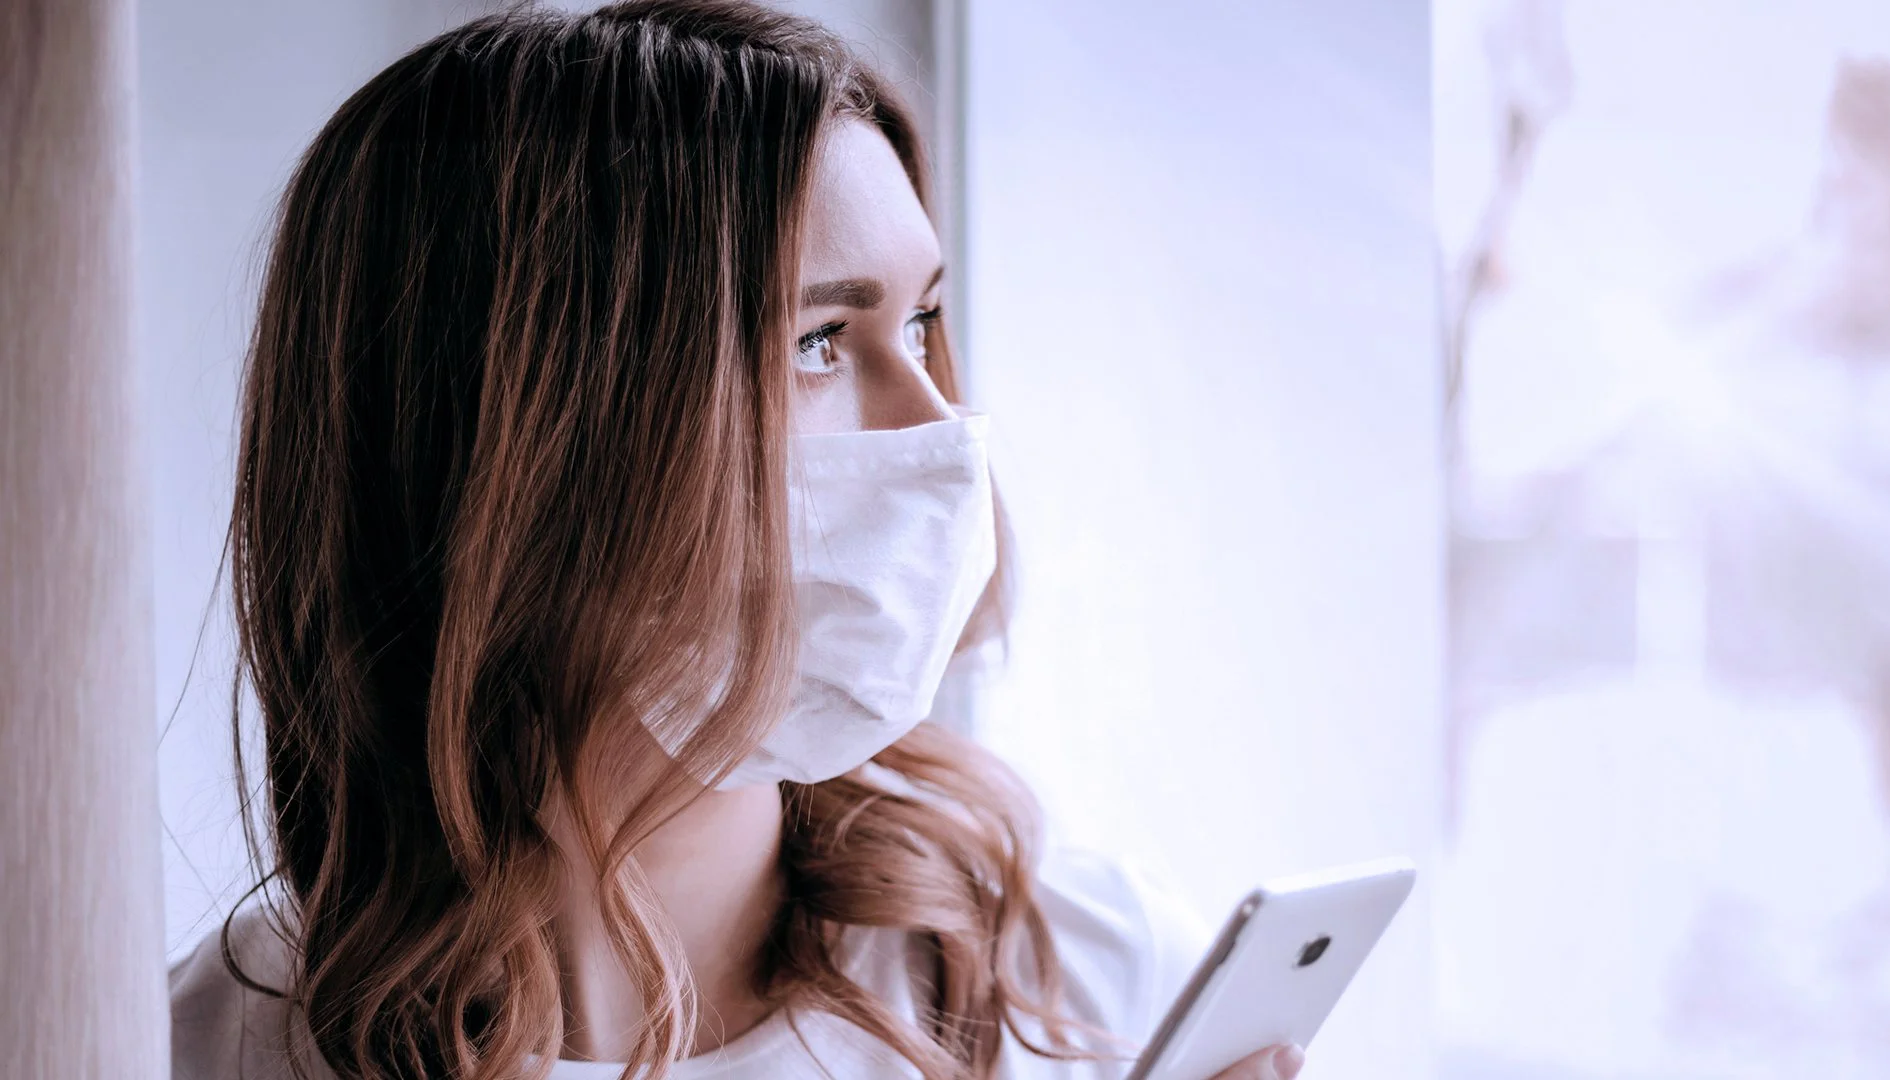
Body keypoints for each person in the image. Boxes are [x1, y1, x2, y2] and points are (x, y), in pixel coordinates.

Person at [167, 3, 1308, 1078]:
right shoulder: (176, 1047)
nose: (939, 431)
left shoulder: (1088, 983)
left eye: (920, 322)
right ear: (519, 446)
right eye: (820, 340)